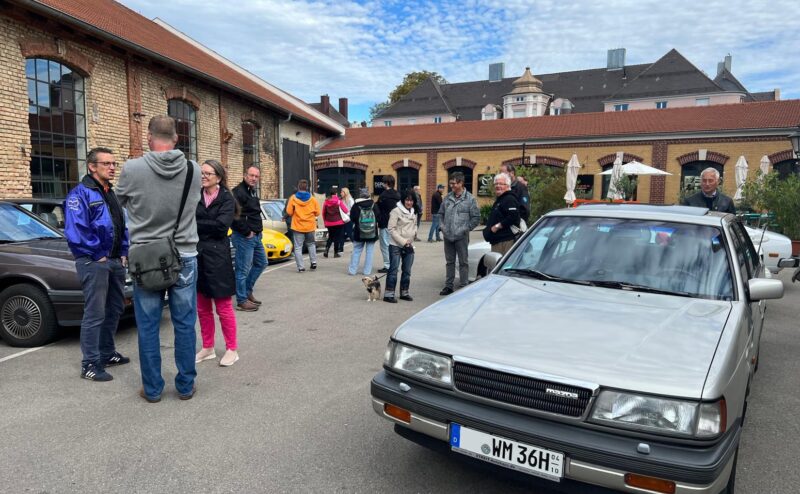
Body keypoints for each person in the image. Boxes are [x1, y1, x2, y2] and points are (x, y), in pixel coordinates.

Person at [116, 115, 201, 403]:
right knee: (185, 323)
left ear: (149, 138)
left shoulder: (132, 169)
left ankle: (152, 389)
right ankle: (186, 386)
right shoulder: (194, 170)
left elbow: (119, 204)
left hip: (146, 258)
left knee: (148, 325)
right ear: (176, 139)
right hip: (184, 254)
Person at [64, 147, 130, 382]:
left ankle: (107, 353)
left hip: (115, 260)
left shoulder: (110, 192)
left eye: (114, 163)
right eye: (106, 163)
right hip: (94, 261)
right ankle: (90, 364)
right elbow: (76, 230)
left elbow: (121, 223)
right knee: (95, 313)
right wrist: (97, 253)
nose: (112, 168)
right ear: (92, 166)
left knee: (115, 308)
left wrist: (123, 250)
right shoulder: (79, 194)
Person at [195, 160, 240, 367]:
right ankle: (208, 347)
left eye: (208, 173)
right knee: (202, 308)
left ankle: (232, 349)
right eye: (202, 173)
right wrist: (206, 225)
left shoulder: (226, 199)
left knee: (223, 307)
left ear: (219, 178)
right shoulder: (195, 196)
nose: (204, 176)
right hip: (198, 255)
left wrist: (196, 224)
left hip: (218, 257)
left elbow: (221, 227)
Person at [231, 166, 266, 312]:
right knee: (242, 270)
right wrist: (247, 232)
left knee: (262, 263)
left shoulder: (251, 191)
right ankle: (241, 300)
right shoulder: (238, 192)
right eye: (251, 175)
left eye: (256, 176)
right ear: (245, 175)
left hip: (256, 236)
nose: (254, 178)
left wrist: (257, 232)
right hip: (244, 237)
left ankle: (246, 291)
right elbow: (233, 216)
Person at [438, 172, 480, 296]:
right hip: (448, 236)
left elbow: (476, 218)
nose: (451, 186)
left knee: (463, 262)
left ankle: (463, 286)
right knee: (449, 262)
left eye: (454, 183)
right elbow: (440, 214)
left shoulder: (470, 199)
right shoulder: (447, 198)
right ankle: (448, 286)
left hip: (462, 237)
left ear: (461, 183)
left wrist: (465, 229)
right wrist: (442, 227)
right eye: (450, 183)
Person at [384, 192, 418, 303]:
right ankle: (389, 294)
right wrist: (404, 242)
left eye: (411, 200)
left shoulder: (413, 211)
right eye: (407, 200)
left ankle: (404, 292)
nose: (409, 202)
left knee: (407, 271)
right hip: (396, 245)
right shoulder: (395, 211)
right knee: (393, 270)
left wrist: (414, 235)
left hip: (409, 245)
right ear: (403, 200)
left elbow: (415, 225)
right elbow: (391, 229)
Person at [286, 179, 321, 272]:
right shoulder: (313, 199)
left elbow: (289, 212)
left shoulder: (293, 198)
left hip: (297, 226)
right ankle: (313, 262)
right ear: (307, 188)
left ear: (298, 187)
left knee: (298, 247)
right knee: (311, 244)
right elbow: (318, 212)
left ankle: (301, 267)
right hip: (310, 226)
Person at [482, 172, 521, 255]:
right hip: (497, 241)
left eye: (501, 184)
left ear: (507, 185)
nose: (497, 186)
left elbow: (513, 216)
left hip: (505, 241)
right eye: (496, 184)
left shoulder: (509, 198)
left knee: (502, 262)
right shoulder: (501, 199)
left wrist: (497, 226)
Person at [348, 188, 379, 275]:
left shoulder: (356, 205)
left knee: (356, 250)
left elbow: (352, 218)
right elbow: (378, 217)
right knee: (369, 252)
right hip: (372, 232)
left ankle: (352, 270)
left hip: (359, 232)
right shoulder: (373, 204)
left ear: (360, 195)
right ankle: (367, 271)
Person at [376, 175, 400, 273]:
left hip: (385, 223)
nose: (382, 184)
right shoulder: (398, 195)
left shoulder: (383, 196)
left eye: (383, 182)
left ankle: (388, 265)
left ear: (386, 183)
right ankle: (395, 265)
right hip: (396, 224)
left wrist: (378, 219)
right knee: (395, 245)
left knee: (385, 245)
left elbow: (378, 209)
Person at [323, 187, 349, 258]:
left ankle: (326, 250)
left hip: (329, 222)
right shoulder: (339, 201)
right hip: (338, 222)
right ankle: (335, 253)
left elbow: (323, 213)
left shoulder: (326, 202)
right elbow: (346, 210)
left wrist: (325, 221)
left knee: (330, 237)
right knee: (337, 237)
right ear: (336, 194)